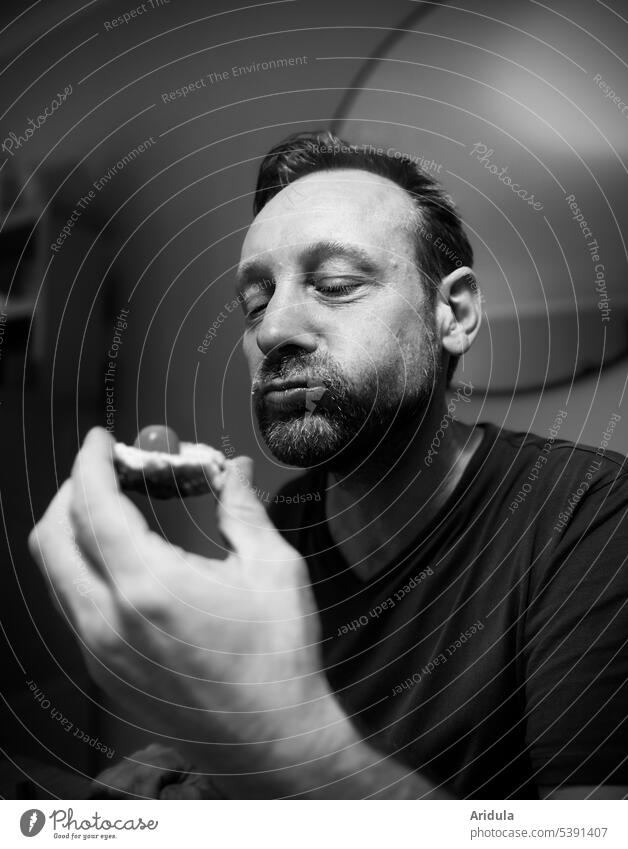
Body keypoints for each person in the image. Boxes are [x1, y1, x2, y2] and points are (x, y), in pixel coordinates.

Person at [29, 131, 628, 800]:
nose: (271, 329)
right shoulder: (288, 524)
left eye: (336, 284)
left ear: (452, 313)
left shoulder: (591, 516)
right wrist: (182, 755)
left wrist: (273, 742)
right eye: (255, 300)